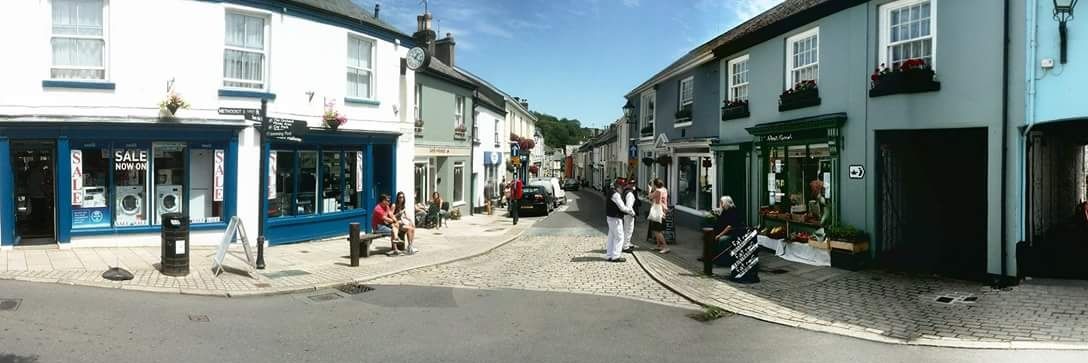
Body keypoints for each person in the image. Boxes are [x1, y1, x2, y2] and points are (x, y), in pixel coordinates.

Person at [605, 178, 636, 262]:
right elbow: (622, 207)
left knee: (611, 237)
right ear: (619, 187)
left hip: (610, 217)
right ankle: (616, 256)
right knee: (619, 237)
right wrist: (631, 212)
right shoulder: (616, 195)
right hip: (615, 218)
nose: (623, 189)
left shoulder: (610, 192)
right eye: (622, 187)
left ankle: (609, 255)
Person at [712, 196, 744, 266]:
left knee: (722, 240)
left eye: (722, 203)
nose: (721, 205)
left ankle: (722, 260)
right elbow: (722, 221)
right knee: (708, 236)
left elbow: (729, 226)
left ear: (726, 203)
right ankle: (710, 257)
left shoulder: (733, 211)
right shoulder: (725, 211)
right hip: (723, 231)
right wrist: (718, 214)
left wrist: (719, 235)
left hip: (732, 233)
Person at [647, 178, 670, 254]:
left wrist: (650, 190)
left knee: (657, 230)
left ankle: (665, 247)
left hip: (658, 212)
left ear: (655, 185)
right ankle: (658, 245)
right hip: (662, 211)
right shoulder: (664, 189)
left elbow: (650, 197)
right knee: (656, 229)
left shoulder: (658, 191)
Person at [622, 180, 639, 253]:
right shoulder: (630, 194)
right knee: (629, 230)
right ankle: (626, 246)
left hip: (625, 214)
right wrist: (633, 214)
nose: (633, 186)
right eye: (632, 184)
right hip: (629, 214)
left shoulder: (625, 192)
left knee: (626, 229)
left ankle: (627, 243)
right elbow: (629, 206)